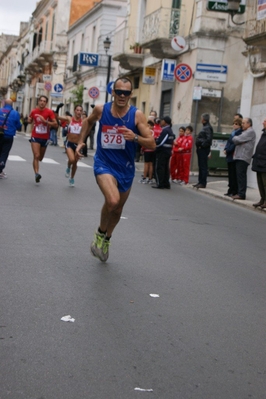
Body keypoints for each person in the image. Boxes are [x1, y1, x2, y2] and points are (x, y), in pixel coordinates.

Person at [76, 77, 155, 262]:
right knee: (112, 201)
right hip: (104, 163)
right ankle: (100, 233)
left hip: (126, 168)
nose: (122, 95)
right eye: (118, 91)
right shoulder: (101, 110)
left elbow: (151, 143)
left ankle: (107, 239)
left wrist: (135, 137)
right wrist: (80, 141)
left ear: (131, 94)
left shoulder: (137, 115)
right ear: (113, 92)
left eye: (126, 93)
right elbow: (87, 122)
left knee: (118, 209)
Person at [28, 95, 58, 183]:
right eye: (41, 100)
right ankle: (36, 174)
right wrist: (29, 120)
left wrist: (45, 122)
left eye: (44, 101)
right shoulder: (34, 111)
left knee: (40, 158)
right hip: (35, 136)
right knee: (36, 155)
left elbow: (55, 124)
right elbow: (30, 119)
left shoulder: (49, 112)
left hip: (45, 137)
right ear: (38, 101)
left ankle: (37, 171)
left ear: (46, 103)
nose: (42, 102)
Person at [56, 104, 83, 187]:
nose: (79, 112)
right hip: (70, 143)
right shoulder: (69, 119)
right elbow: (57, 117)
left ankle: (72, 178)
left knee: (75, 163)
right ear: (74, 111)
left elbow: (92, 121)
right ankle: (68, 167)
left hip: (78, 145)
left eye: (80, 110)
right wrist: (58, 108)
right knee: (71, 159)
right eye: (77, 110)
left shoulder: (83, 121)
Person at [231, 117, 256, 200]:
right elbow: (236, 140)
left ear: (249, 124)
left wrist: (237, 139)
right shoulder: (245, 132)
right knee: (239, 175)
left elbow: (236, 139)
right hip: (239, 156)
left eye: (244, 123)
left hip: (243, 157)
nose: (242, 124)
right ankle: (239, 192)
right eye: (242, 123)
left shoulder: (250, 132)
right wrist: (238, 140)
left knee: (241, 175)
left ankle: (241, 194)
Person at [0, 99, 21, 179]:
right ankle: (0, 168)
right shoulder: (15, 113)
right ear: (12, 105)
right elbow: (18, 125)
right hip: (8, 135)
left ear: (4, 103)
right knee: (4, 152)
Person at [152, 116, 175, 189]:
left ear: (165, 122)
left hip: (162, 151)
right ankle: (166, 183)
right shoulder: (170, 130)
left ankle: (160, 183)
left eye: (161, 121)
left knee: (159, 167)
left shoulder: (165, 130)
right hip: (167, 151)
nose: (160, 122)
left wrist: (155, 143)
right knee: (165, 168)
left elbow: (161, 142)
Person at [193, 113, 213, 189]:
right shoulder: (205, 127)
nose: (201, 120)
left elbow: (208, 139)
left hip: (203, 149)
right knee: (201, 166)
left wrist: (202, 144)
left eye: (202, 118)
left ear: (204, 119)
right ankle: (200, 181)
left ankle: (203, 182)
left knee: (203, 166)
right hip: (201, 149)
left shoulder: (207, 127)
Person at [223, 118, 242, 197]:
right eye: (234, 123)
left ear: (240, 125)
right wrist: (225, 149)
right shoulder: (233, 133)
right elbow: (228, 142)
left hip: (233, 155)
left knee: (233, 175)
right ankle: (230, 189)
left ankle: (234, 190)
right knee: (230, 175)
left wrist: (228, 150)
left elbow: (234, 144)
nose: (234, 125)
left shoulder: (239, 133)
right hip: (229, 155)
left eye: (236, 124)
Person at [251, 118, 266, 208]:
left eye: (265, 121)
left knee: (265, 183)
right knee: (260, 183)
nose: (263, 122)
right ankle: (262, 199)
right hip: (259, 162)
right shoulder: (263, 134)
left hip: (264, 162)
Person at [138, 119, 155, 184]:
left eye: (148, 125)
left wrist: (142, 148)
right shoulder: (154, 132)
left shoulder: (148, 132)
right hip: (152, 149)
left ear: (151, 126)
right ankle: (150, 178)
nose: (147, 127)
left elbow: (144, 141)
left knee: (146, 164)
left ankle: (144, 177)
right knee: (151, 164)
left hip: (147, 149)